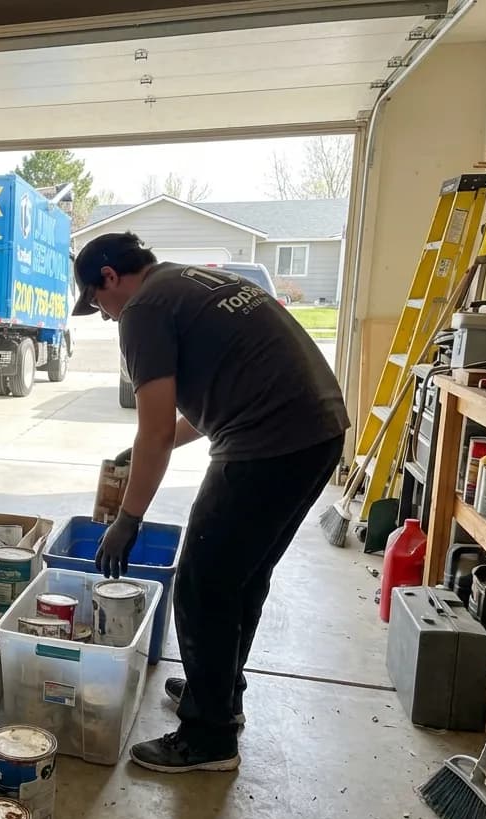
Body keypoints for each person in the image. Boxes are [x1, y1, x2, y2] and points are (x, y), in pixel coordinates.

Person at [72, 233, 349, 773]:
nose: (104, 316)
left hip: (267, 442)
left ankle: (208, 738)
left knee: (201, 585)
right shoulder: (192, 282)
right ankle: (217, 694)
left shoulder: (144, 310)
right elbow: (209, 400)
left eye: (97, 301)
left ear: (109, 277)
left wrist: (128, 520)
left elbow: (153, 429)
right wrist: (150, 446)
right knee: (241, 577)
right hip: (317, 429)